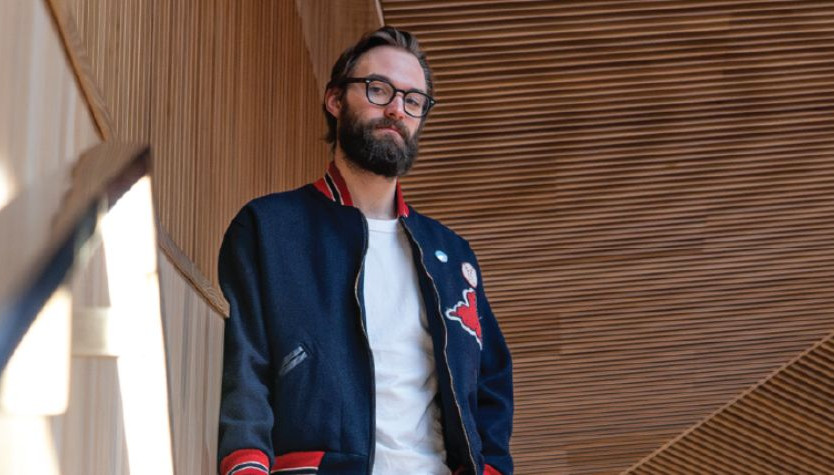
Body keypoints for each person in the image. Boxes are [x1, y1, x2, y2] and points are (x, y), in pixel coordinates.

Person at [217, 26, 513, 475]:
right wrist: (246, 464)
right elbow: (244, 364)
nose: (397, 108)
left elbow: (490, 383)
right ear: (335, 100)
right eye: (379, 90)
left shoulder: (451, 257)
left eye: (413, 101)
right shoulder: (270, 228)